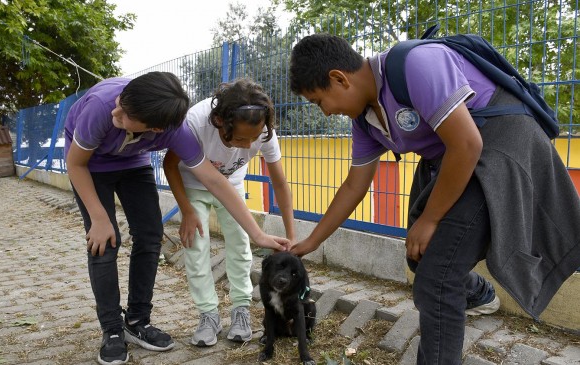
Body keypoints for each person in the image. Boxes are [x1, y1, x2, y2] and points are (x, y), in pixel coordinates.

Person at [287, 33, 580, 364]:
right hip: (459, 160)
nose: (324, 113)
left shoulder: (416, 65)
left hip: (500, 148)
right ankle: (479, 295)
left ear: (338, 79)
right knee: (420, 255)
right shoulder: (366, 121)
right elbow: (355, 185)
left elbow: (467, 144)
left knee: (436, 280)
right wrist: (312, 241)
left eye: (318, 102)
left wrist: (430, 219)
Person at [64, 72, 290, 365]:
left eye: (125, 114)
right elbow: (75, 163)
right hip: (90, 164)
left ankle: (137, 322)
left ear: (156, 129)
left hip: (133, 161)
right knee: (105, 242)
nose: (116, 112)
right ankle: (112, 330)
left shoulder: (175, 130)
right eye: (121, 105)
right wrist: (98, 217)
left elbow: (216, 180)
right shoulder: (101, 107)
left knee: (149, 236)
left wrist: (258, 236)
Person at [163, 78, 296, 347]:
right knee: (196, 246)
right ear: (219, 122)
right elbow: (169, 165)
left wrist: (291, 237)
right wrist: (186, 210)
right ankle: (208, 315)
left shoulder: (264, 131)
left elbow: (280, 182)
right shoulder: (195, 122)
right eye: (239, 139)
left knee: (239, 242)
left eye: (252, 139)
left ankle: (241, 311)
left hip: (231, 185)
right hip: (193, 183)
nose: (247, 146)